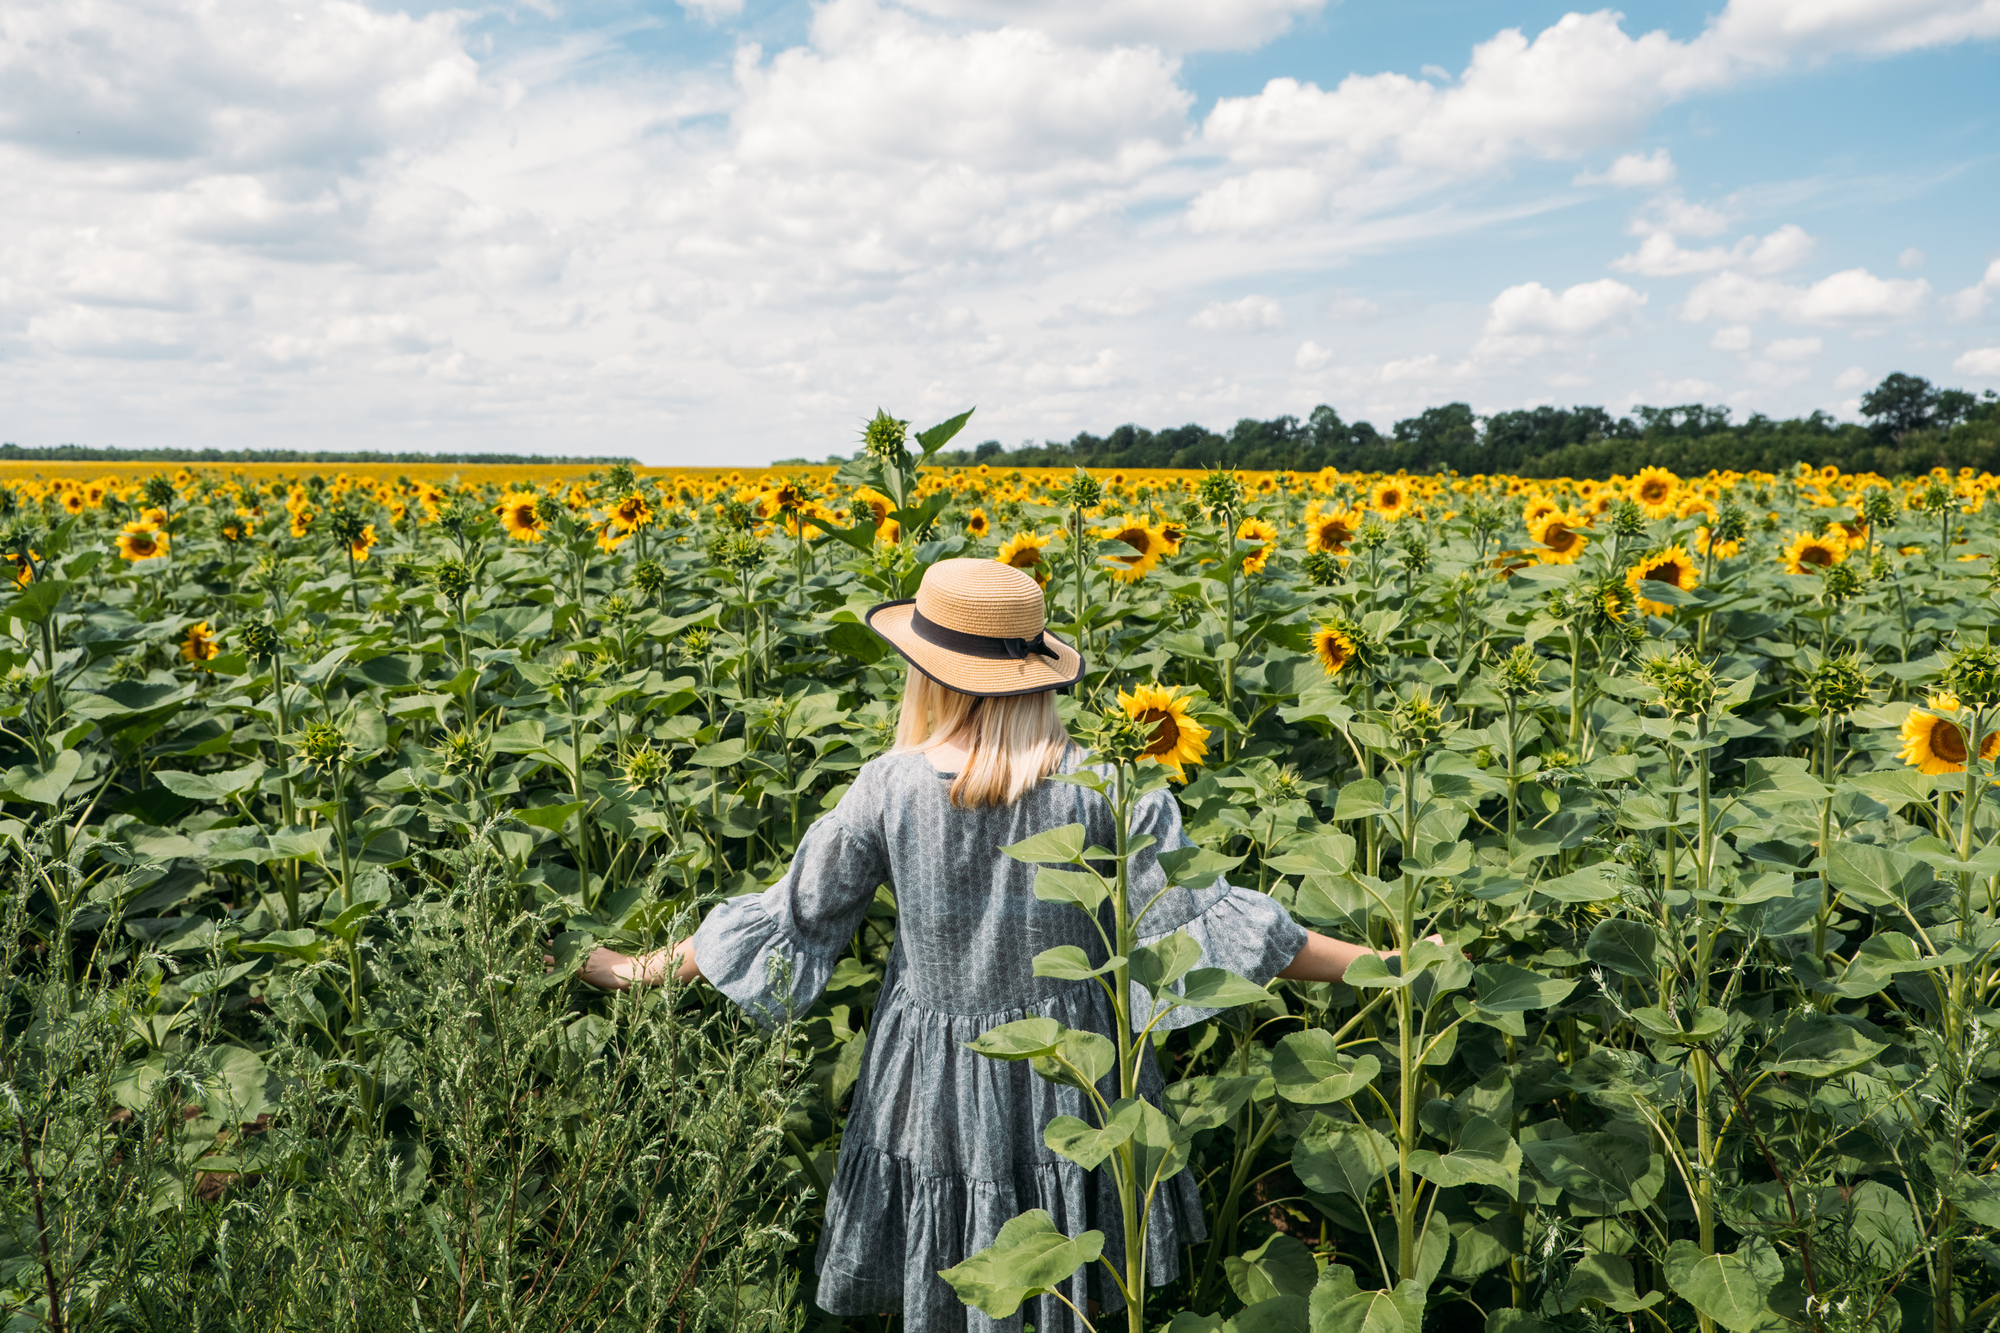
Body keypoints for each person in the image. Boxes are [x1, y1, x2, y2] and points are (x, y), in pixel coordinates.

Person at [578, 558, 1411, 1333]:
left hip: (930, 1078)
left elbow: (791, 914)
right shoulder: (1105, 787)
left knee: (955, 1272)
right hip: (1076, 1073)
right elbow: (1218, 919)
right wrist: (1388, 968)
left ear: (927, 671)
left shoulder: (891, 784)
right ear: (1037, 672)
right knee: (1066, 1263)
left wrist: (633, 968)